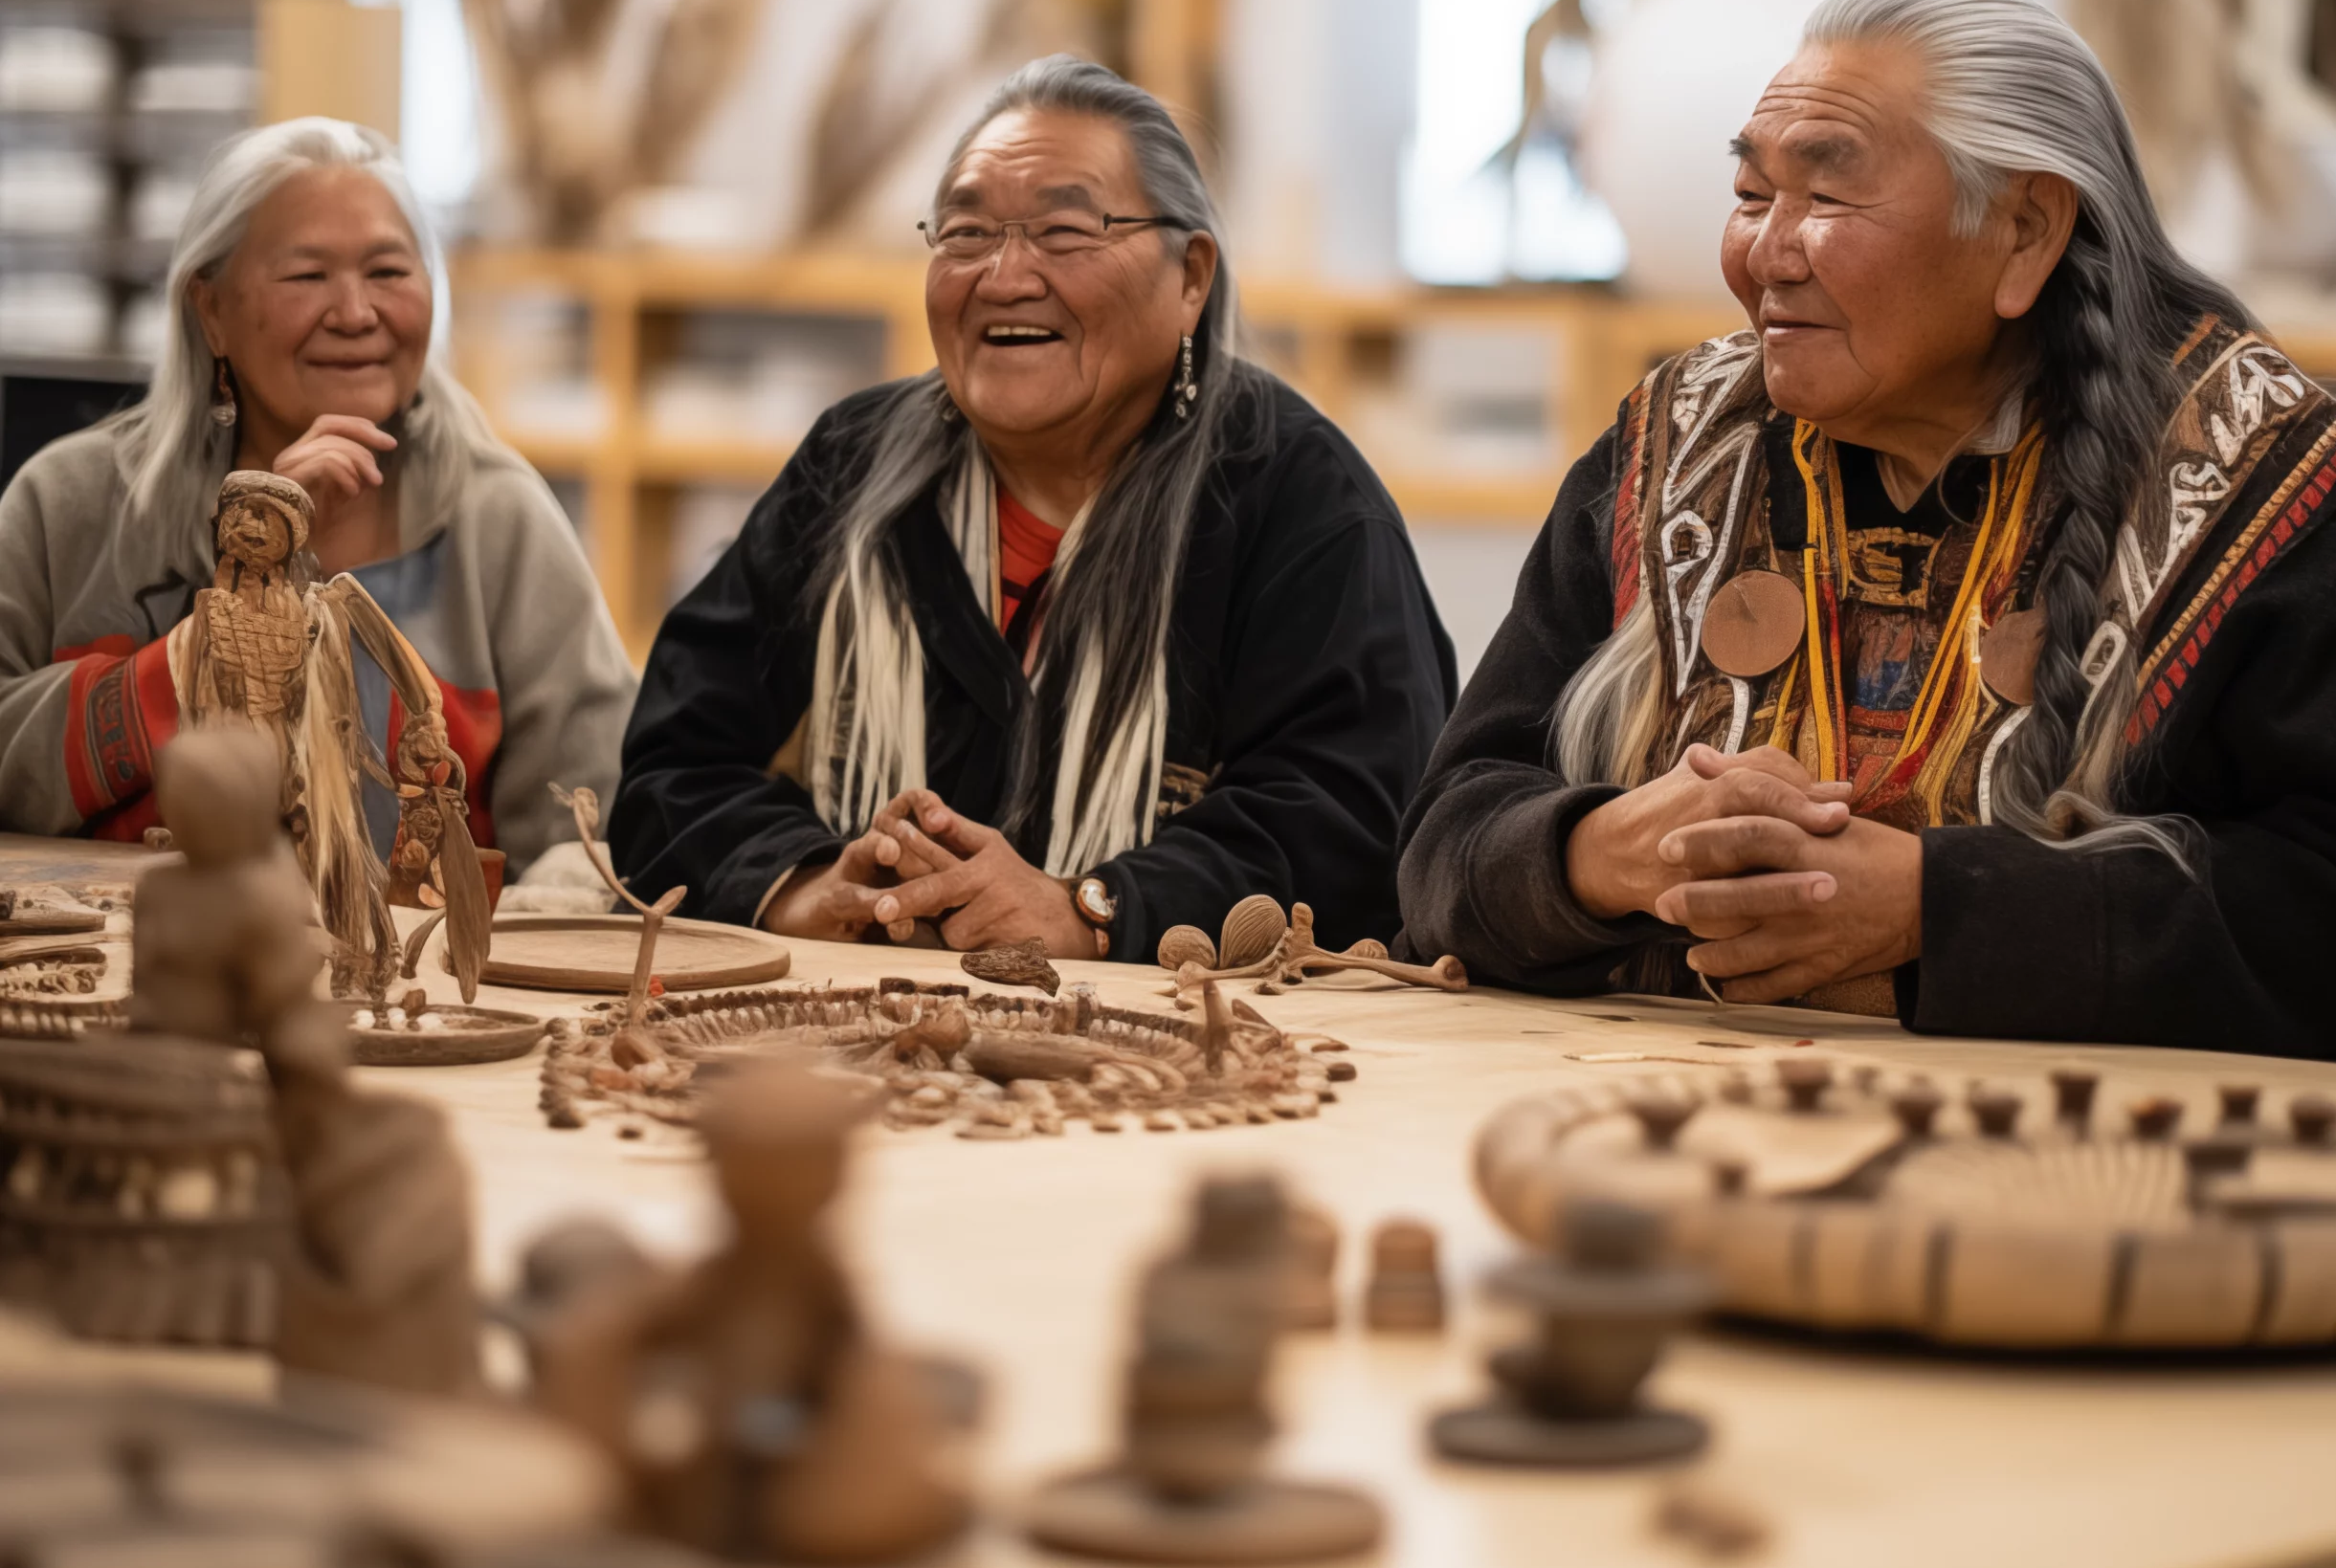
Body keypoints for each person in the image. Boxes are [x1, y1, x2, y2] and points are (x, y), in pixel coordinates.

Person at [1399, 0, 2336, 1064]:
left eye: (1829, 197)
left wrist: (1932, 906)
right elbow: (1440, 844)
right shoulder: (1666, 454)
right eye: (1753, 194)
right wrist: (1605, 852)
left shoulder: (2265, 489)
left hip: (2103, 1181)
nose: (1765, 252)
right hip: (1666, 1136)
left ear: (2025, 232)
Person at [612, 55, 1454, 961]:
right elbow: (673, 768)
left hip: (1192, 1062)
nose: (1006, 276)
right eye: (966, 233)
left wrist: (1093, 911)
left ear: (1191, 278)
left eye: (1064, 231)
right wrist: (813, 887)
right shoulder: (851, 470)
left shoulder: (1298, 500)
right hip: (868, 1023)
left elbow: (1361, 826)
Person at [0, 117, 634, 875]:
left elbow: (590, 823)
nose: (356, 313)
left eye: (389, 272)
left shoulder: (500, 519)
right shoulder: (70, 502)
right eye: (307, 277)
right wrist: (223, 632)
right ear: (212, 311)